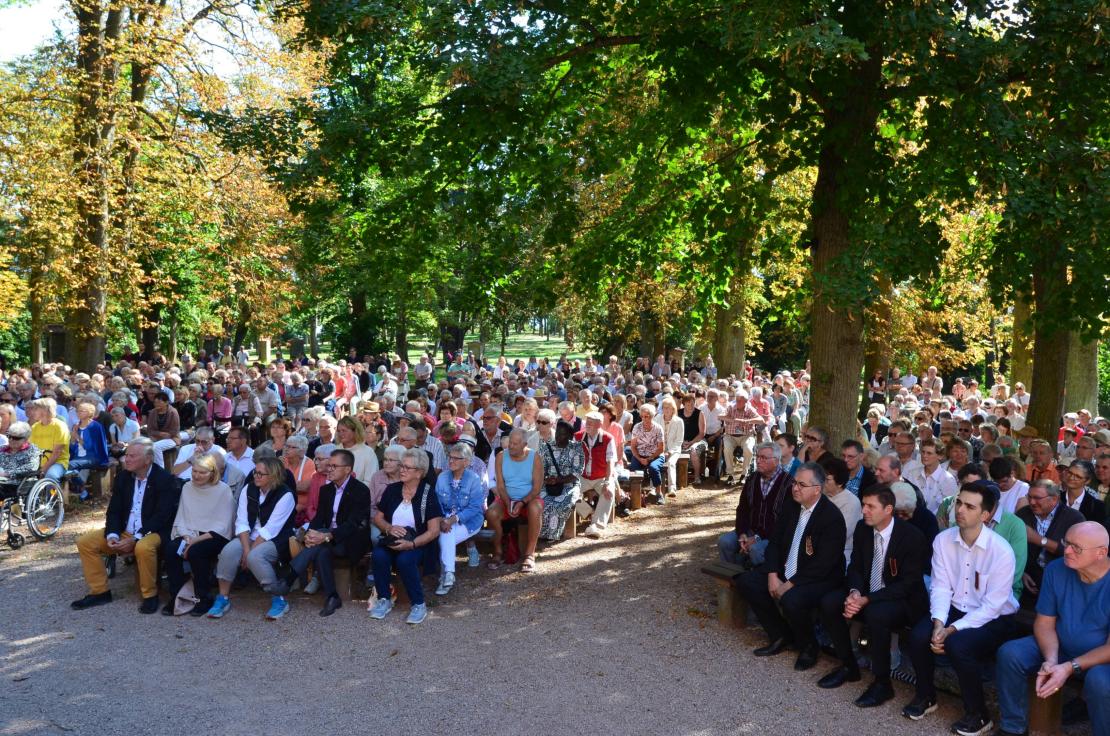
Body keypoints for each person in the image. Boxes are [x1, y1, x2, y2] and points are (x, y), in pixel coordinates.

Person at [903, 483, 1018, 736]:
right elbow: (941, 587)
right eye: (958, 503)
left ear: (985, 515)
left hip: (996, 617)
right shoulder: (943, 540)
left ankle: (979, 714)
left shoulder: (1001, 551)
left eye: (969, 506)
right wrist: (938, 624)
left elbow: (992, 606)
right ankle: (926, 696)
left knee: (958, 645)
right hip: (956, 607)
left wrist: (952, 629)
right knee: (919, 636)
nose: (960, 510)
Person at [817, 484, 930, 707]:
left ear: (888, 509)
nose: (864, 511)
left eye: (871, 506)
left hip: (904, 601)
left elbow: (909, 584)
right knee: (830, 602)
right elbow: (857, 567)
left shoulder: (912, 536)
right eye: (863, 505)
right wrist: (855, 592)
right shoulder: (863, 528)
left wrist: (866, 599)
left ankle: (882, 683)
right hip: (868, 592)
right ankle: (848, 665)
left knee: (877, 614)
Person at [995, 522, 1110, 736]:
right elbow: (1044, 622)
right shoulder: (1056, 569)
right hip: (1061, 646)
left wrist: (1069, 667)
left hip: (1102, 659)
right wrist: (1051, 660)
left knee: (1100, 682)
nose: (1066, 550)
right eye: (1067, 542)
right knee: (1010, 653)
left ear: (1101, 553)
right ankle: (1013, 727)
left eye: (1077, 547)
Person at [735, 463, 847, 670]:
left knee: (791, 599)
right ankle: (780, 635)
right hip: (788, 568)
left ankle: (808, 647)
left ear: (817, 489)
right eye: (795, 483)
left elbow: (824, 563)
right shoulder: (791, 506)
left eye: (801, 485)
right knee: (747, 582)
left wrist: (790, 584)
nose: (795, 488)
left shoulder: (831, 518)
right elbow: (775, 543)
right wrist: (772, 574)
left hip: (819, 578)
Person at [72, 438, 179, 613]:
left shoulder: (164, 480)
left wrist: (136, 538)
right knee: (85, 542)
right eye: (126, 455)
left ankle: (150, 596)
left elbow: (163, 517)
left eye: (132, 456)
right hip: (125, 531)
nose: (126, 459)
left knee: (143, 547)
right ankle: (100, 592)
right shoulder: (123, 477)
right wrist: (113, 535)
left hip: (153, 532)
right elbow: (113, 511)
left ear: (148, 459)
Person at [272, 449, 371, 617]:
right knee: (322, 551)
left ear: (347, 469)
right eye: (329, 465)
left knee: (322, 542)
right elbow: (318, 519)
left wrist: (324, 535)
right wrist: (312, 535)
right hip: (326, 540)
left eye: (334, 466)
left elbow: (353, 524)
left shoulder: (360, 490)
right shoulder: (327, 490)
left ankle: (289, 579)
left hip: (351, 540)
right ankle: (332, 597)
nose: (328, 468)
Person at [209, 455, 296, 620]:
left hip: (276, 539)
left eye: (261, 474)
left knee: (256, 557)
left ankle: (278, 598)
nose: (256, 476)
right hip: (249, 536)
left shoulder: (285, 495)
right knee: (228, 552)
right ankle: (223, 598)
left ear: (273, 476)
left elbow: (271, 529)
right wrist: (245, 549)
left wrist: (248, 554)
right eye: (255, 472)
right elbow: (241, 522)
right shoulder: (249, 489)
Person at [368, 448, 443, 624]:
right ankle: (384, 599)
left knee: (405, 560)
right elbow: (378, 518)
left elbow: (434, 530)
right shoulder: (393, 490)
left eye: (407, 467)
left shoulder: (427, 493)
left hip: (419, 543)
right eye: (401, 466)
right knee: (379, 555)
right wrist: (388, 528)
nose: (402, 470)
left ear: (419, 472)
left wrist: (412, 544)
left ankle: (418, 604)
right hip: (392, 540)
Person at [162, 452, 234, 616]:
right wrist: (187, 537)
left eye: (202, 472)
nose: (196, 475)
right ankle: (177, 596)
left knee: (196, 553)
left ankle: (204, 597)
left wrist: (194, 541)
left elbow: (223, 525)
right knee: (171, 550)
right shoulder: (187, 487)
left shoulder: (223, 490)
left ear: (213, 473)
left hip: (213, 535)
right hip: (189, 532)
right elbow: (183, 516)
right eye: (194, 471)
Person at [717, 442, 791, 568]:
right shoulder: (752, 479)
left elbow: (785, 521)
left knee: (756, 550)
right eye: (758, 457)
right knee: (725, 541)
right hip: (749, 531)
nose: (758, 461)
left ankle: (757, 582)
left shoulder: (788, 484)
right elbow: (742, 509)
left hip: (773, 536)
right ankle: (733, 577)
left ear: (776, 461)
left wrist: (757, 538)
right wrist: (742, 533)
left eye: (764, 458)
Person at [1016, 479, 1084, 606]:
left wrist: (1038, 539)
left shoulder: (1074, 519)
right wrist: (1021, 573)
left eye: (1037, 498)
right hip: (1027, 587)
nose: (1031, 502)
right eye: (1029, 497)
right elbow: (1011, 550)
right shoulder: (1022, 514)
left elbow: (1078, 554)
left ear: (1054, 499)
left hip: (1061, 588)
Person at [485, 428, 544, 572]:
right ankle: (498, 552)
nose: (511, 446)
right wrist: (508, 503)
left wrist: (522, 502)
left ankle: (530, 554)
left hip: (529, 498)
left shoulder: (534, 457)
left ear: (525, 444)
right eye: (510, 442)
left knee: (535, 508)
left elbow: (537, 488)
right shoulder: (501, 456)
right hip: (507, 498)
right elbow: (500, 485)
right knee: (491, 513)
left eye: (515, 444)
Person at [433, 442, 486, 595]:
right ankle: (448, 575)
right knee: (445, 535)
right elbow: (437, 503)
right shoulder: (442, 477)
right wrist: (443, 519)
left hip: (470, 520)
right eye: (450, 457)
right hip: (445, 519)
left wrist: (453, 520)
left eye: (457, 458)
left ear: (467, 462)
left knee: (444, 536)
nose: (451, 461)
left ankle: (446, 576)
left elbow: (475, 508)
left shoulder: (474, 479)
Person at [538, 419, 584, 540]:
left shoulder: (576, 448)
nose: (558, 436)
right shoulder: (547, 447)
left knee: (559, 504)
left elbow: (576, 473)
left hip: (570, 484)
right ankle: (540, 534)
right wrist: (547, 479)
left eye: (562, 434)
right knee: (540, 502)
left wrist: (558, 480)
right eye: (558, 432)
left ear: (569, 436)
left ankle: (552, 535)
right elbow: (541, 469)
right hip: (549, 484)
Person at [578, 411, 619, 538]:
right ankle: (589, 512)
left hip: (601, 476)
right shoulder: (577, 437)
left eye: (591, 423)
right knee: (568, 492)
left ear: (599, 425)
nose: (587, 425)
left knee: (609, 491)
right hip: (583, 477)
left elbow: (610, 462)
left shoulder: (608, 439)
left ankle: (597, 526)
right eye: (587, 422)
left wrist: (607, 481)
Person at [67, 400, 109, 499]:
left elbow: (90, 446)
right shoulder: (76, 426)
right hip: (78, 456)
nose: (78, 413)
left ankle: (81, 488)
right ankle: (82, 489)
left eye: (82, 411)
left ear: (90, 412)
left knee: (69, 465)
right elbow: (72, 446)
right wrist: (73, 436)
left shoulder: (95, 426)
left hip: (93, 456)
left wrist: (76, 436)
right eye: (78, 411)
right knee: (64, 465)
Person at [823, 457, 863, 560]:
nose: (822, 482)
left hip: (841, 554)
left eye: (827, 479)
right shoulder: (821, 495)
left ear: (840, 482)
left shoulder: (851, 502)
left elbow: (841, 534)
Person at [721, 392, 763, 485]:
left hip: (746, 436)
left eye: (740, 401)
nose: (738, 402)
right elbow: (720, 416)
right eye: (737, 400)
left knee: (748, 449)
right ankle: (730, 475)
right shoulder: (731, 407)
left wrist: (747, 421)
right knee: (727, 449)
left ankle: (744, 474)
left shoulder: (750, 409)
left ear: (746, 401)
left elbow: (761, 420)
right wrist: (732, 419)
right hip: (730, 436)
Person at [627, 404, 665, 501]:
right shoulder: (637, 427)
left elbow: (661, 448)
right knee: (634, 468)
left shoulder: (658, 428)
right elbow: (633, 446)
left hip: (655, 455)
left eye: (646, 416)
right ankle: (636, 494)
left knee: (653, 468)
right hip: (640, 454)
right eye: (642, 416)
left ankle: (658, 493)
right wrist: (639, 458)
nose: (643, 419)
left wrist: (649, 459)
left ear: (652, 416)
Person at [29, 398, 69, 482]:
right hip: (38, 462)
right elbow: (30, 449)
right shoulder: (35, 427)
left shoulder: (59, 426)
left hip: (58, 462)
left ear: (45, 410)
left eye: (36, 409)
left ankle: (53, 495)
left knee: (50, 476)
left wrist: (43, 469)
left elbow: (56, 453)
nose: (32, 412)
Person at [1062, 459, 1106, 524]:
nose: (1071, 478)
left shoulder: (1097, 506)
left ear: (1087, 481)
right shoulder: (1055, 498)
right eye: (1070, 473)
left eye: (1077, 476)